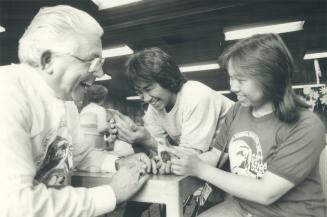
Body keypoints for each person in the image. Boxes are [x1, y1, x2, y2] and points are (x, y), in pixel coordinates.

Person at [0, 5, 152, 217]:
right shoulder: (7, 94)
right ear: (48, 60)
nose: (99, 72)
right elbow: (16, 206)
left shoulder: (65, 101)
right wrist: (112, 193)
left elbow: (80, 156)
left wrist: (117, 162)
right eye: (92, 61)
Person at [170, 33, 326, 217]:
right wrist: (181, 161)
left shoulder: (306, 125)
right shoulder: (237, 110)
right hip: (243, 207)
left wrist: (200, 169)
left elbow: (266, 193)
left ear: (270, 77)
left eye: (241, 80)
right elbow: (216, 155)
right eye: (231, 77)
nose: (233, 87)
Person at [109, 47, 234, 216]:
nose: (145, 98)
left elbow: (189, 157)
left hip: (235, 162)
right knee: (137, 197)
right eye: (139, 93)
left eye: (149, 88)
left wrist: (150, 142)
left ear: (166, 78)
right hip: (208, 160)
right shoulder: (153, 111)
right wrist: (137, 139)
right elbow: (159, 155)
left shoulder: (195, 94)